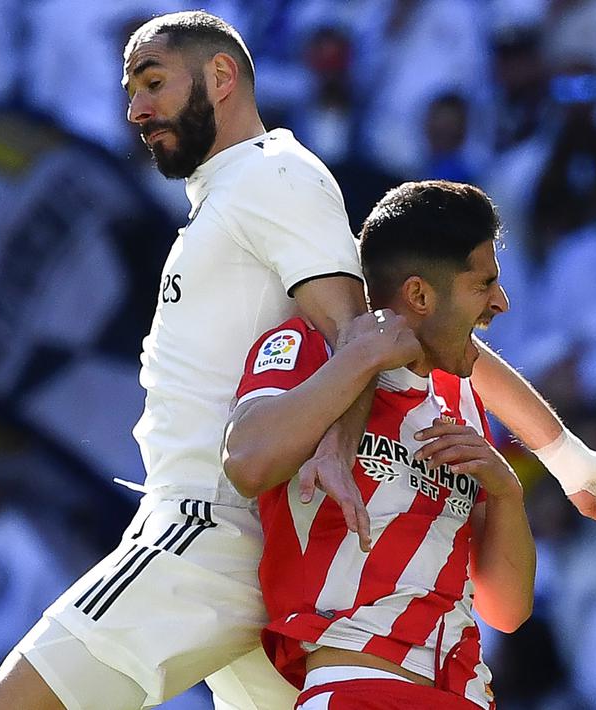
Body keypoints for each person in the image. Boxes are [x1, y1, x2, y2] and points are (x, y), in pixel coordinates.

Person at [0, 11, 596, 710]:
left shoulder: (272, 174)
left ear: (220, 77)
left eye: (154, 82)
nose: (136, 108)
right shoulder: (244, 191)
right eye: (131, 90)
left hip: (207, 526)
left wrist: (339, 446)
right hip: (274, 556)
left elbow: (362, 333)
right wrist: (568, 460)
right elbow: (413, 338)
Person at [222, 180, 533, 709]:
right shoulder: (310, 348)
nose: (499, 302)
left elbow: (507, 609)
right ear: (419, 295)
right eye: (483, 284)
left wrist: (506, 493)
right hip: (356, 685)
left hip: (467, 694)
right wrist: (365, 356)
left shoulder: (460, 399)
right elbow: (246, 463)